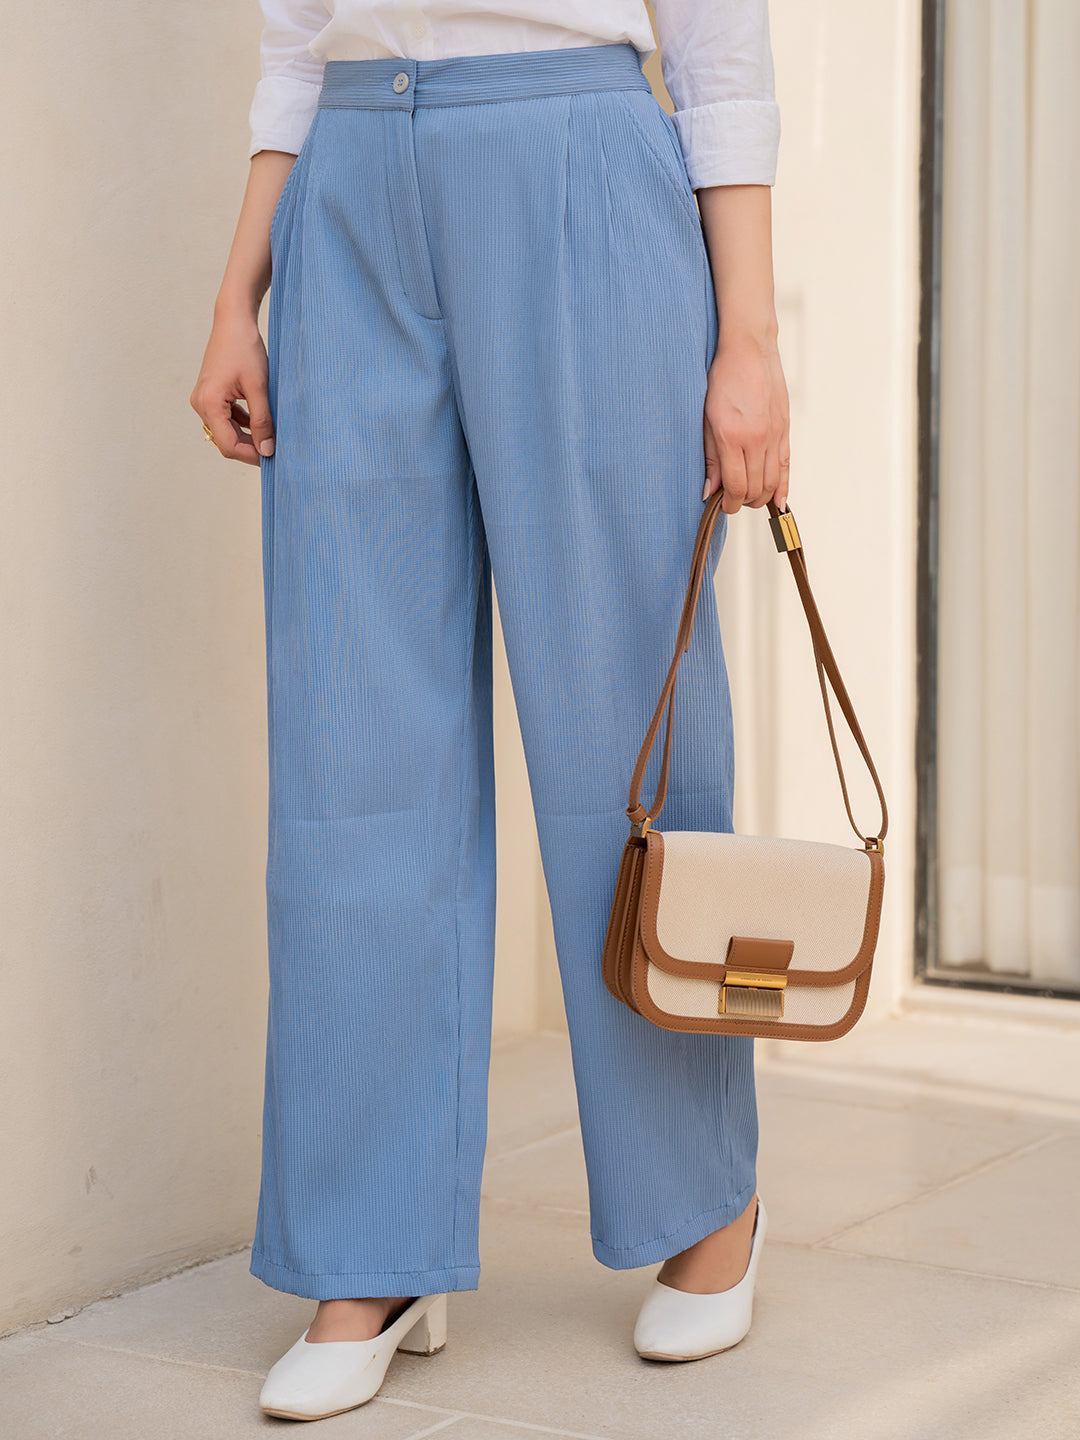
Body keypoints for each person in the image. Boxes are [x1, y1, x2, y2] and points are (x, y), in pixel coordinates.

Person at [191, 0, 790, 1421]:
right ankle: (372, 1251)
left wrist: (750, 339)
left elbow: (718, 50)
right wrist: (235, 297)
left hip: (579, 161)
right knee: (353, 750)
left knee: (625, 731)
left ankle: (706, 1202)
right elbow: (296, 47)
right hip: (349, 191)